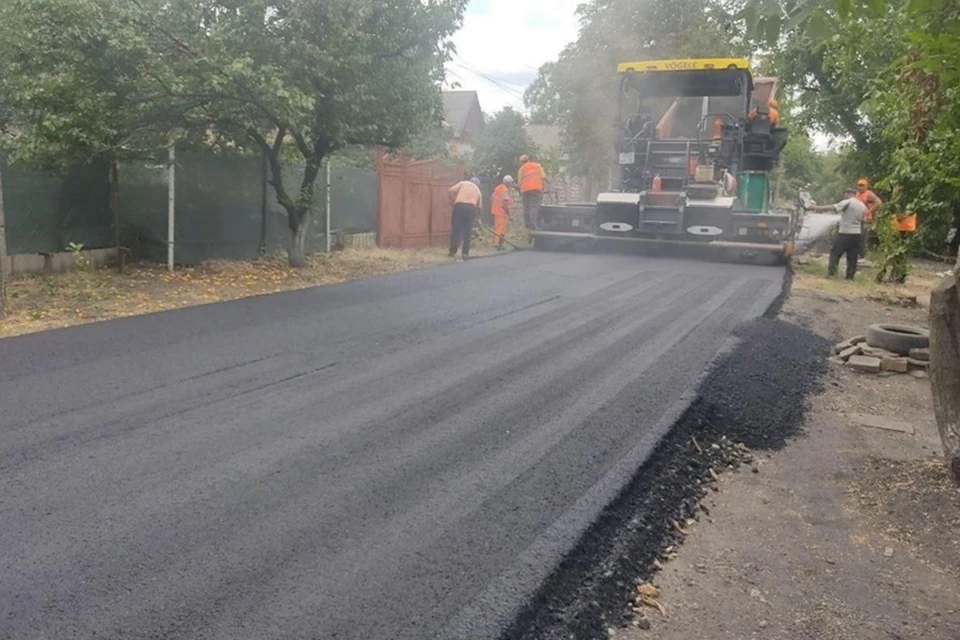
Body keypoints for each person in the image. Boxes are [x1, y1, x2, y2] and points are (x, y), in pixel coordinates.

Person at [810, 188, 868, 280]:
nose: (844, 195)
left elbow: (833, 207)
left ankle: (832, 274)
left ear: (849, 194)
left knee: (835, 253)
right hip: (856, 234)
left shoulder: (847, 202)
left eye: (845, 193)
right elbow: (864, 220)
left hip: (845, 232)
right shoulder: (862, 205)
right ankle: (849, 277)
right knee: (852, 256)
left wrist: (815, 208)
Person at [448, 176, 482, 260]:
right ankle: (465, 253)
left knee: (456, 229)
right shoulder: (478, 191)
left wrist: (454, 202)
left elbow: (450, 191)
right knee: (468, 231)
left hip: (459, 206)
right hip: (471, 208)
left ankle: (452, 251)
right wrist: (477, 218)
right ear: (478, 184)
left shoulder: (463, 183)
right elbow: (479, 207)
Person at [518, 154, 546, 232]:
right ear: (528, 159)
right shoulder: (537, 166)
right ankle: (533, 224)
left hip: (525, 190)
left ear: (521, 162)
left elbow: (520, 182)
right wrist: (543, 189)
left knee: (526, 207)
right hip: (536, 189)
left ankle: (527, 225)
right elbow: (543, 177)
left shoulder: (521, 169)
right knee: (534, 207)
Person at [856, 178, 883, 257]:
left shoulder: (869, 194)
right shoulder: (857, 194)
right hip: (858, 218)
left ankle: (862, 254)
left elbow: (879, 202)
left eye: (862, 185)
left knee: (863, 236)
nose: (860, 187)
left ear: (866, 186)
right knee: (858, 236)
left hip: (866, 219)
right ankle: (858, 253)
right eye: (859, 185)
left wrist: (869, 211)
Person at [491, 175, 514, 250]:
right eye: (510, 183)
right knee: (501, 229)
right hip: (502, 212)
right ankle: (497, 244)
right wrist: (509, 214)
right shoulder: (505, 190)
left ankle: (498, 244)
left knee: (498, 228)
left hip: (496, 211)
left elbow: (492, 198)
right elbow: (504, 203)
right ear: (508, 183)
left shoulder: (498, 188)